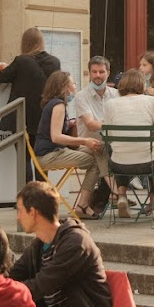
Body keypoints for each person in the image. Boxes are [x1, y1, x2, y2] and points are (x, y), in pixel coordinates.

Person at [11, 182, 113, 307]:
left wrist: (4, 294)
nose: (17, 217)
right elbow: (13, 273)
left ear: (33, 212)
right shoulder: (40, 245)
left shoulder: (75, 242)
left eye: (20, 211)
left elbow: (41, 285)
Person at [102, 68, 154, 217]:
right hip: (146, 163)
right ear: (142, 85)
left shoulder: (110, 104)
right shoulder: (150, 101)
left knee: (121, 153)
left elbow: (109, 135)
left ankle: (122, 196)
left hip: (118, 165)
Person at [34, 71, 109, 220]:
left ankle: (109, 188)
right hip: (50, 154)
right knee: (95, 161)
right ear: (64, 87)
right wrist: (84, 140)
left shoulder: (54, 103)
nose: (75, 87)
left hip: (52, 151)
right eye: (73, 83)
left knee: (97, 148)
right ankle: (84, 204)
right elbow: (56, 137)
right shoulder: (59, 105)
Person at [0, 26, 61, 149]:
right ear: (42, 42)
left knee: (23, 157)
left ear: (24, 43)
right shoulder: (55, 62)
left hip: (22, 118)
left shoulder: (21, 61)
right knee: (43, 157)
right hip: (45, 117)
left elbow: (2, 77)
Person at [73, 56, 119, 142]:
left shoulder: (116, 95)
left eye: (101, 72)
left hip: (112, 146)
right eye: (94, 72)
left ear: (108, 73)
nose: (97, 75)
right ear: (89, 73)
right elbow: (90, 124)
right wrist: (116, 125)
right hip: (90, 148)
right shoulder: (81, 96)